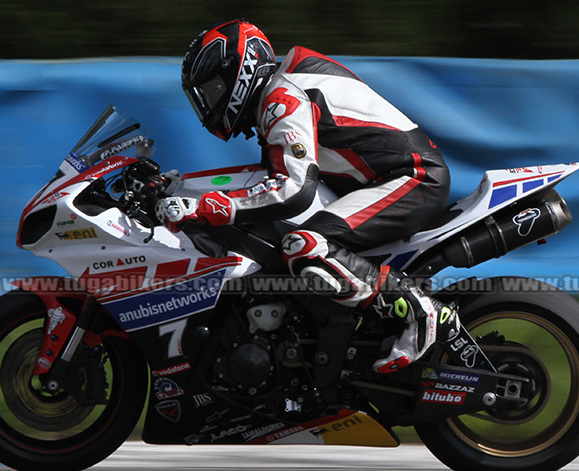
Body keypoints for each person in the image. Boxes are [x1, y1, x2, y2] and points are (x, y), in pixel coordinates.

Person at [156, 19, 459, 373]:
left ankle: (420, 312)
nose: (209, 106)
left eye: (212, 90)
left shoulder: (282, 99)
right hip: (380, 180)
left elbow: (293, 191)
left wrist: (204, 207)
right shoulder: (278, 95)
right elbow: (265, 180)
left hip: (412, 178)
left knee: (305, 245)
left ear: (241, 70)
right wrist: (186, 186)